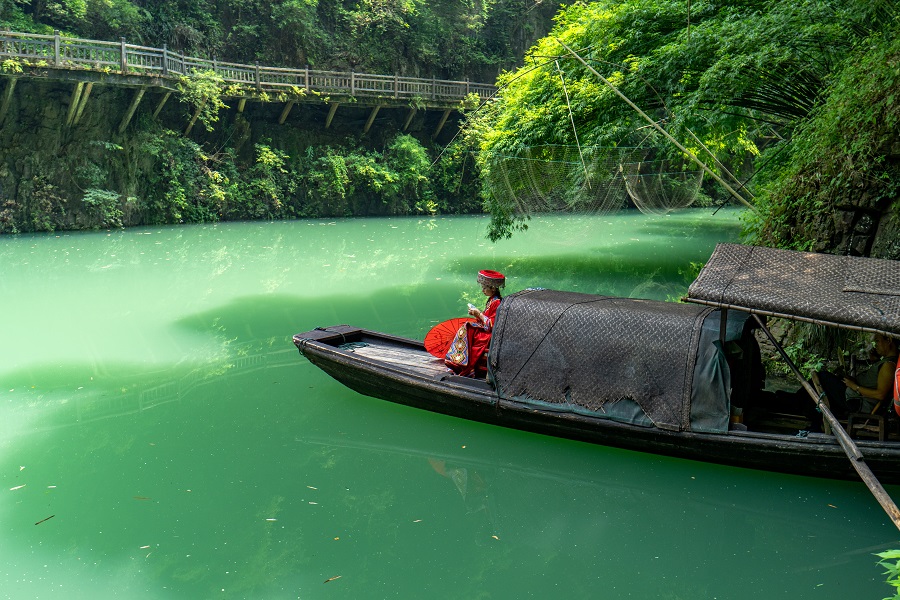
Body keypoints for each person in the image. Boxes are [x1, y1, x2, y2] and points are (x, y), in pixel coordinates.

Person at [814, 332, 899, 421]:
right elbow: (875, 381)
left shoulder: (889, 365)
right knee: (827, 380)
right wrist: (875, 361)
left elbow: (880, 394)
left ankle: (802, 410)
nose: (875, 345)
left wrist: (854, 386)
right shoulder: (888, 362)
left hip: (858, 402)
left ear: (889, 340)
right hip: (855, 396)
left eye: (877, 341)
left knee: (822, 377)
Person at [444, 270, 505, 378]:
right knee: (467, 326)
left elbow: (491, 325)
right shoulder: (491, 300)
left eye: (485, 288)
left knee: (468, 328)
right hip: (485, 330)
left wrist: (479, 314)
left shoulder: (497, 303)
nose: (483, 290)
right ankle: (458, 362)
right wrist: (476, 314)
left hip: (489, 334)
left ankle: (463, 365)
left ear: (493, 288)